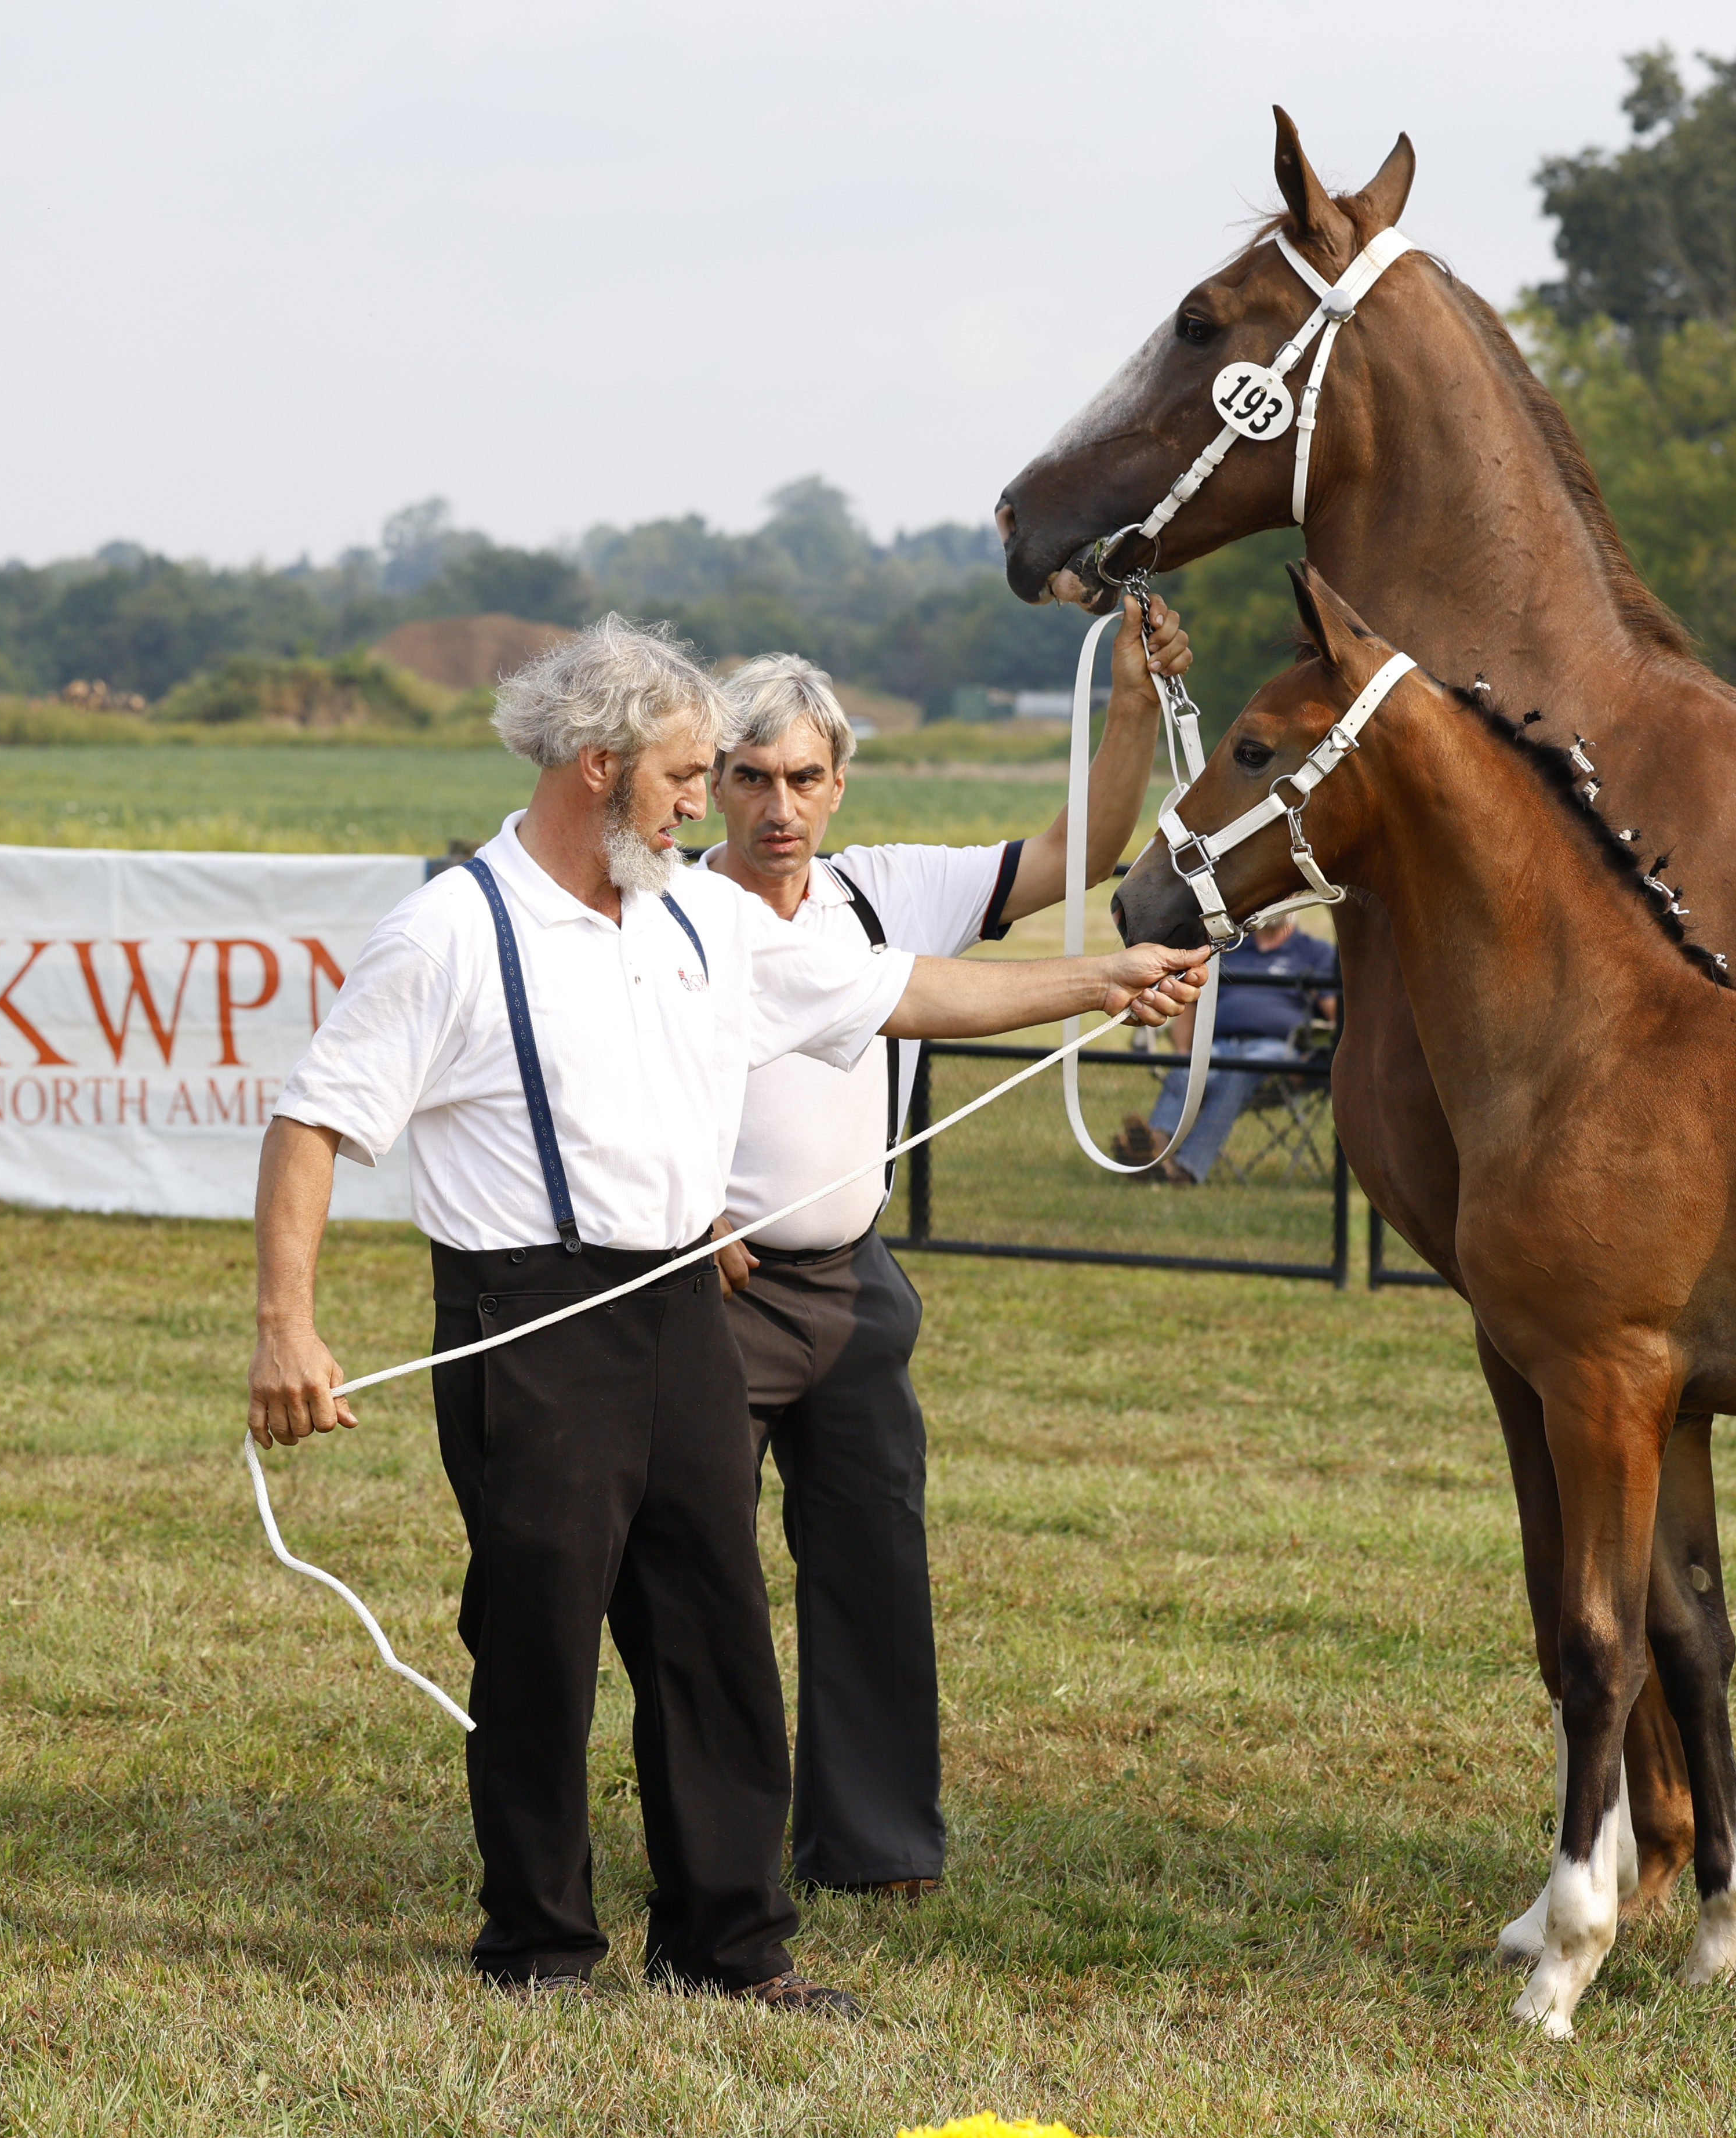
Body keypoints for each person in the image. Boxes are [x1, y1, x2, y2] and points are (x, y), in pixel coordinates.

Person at [244, 615, 1206, 2011]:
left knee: (717, 1638)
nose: (711, 803)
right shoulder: (455, 929)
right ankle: (542, 1946)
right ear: (596, 764)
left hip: (681, 1314)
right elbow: (315, 1122)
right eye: (690, 774)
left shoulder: (699, 915)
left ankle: (730, 1943)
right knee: (540, 1641)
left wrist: (1099, 982)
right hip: (529, 1322)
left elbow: (901, 990)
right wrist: (289, 1326)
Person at [699, 596, 1189, 1900]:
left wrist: (1129, 704)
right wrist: (676, 1213)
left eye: (803, 777)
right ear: (707, 787)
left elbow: (1079, 847)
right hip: (713, 1292)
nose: (777, 807)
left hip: (852, 1285)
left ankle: (871, 1848)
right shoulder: (670, 921)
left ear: (839, 782)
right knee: (701, 1583)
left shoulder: (882, 889)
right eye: (748, 778)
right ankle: (720, 1853)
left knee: (873, 1561)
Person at [1109, 908, 1339, 1184]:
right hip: (1219, 1045)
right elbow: (1193, 1002)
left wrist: (1312, 1059)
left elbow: (1337, 1016)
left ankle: (1185, 1170)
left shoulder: (1313, 952)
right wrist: (1184, 1052)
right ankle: (1152, 1150)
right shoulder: (1232, 949)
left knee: (1237, 1073)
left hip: (1278, 1053)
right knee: (1187, 1070)